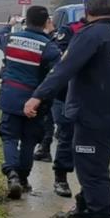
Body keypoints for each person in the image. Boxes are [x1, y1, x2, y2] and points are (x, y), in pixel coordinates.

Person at [24, 0, 110, 218]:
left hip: (92, 116)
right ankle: (84, 211)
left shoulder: (89, 36)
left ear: (87, 9)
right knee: (96, 166)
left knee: (93, 174)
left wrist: (37, 97)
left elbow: (63, 70)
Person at [0, 6, 60, 200]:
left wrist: (9, 25)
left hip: (10, 98)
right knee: (30, 141)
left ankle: (11, 174)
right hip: (35, 103)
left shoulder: (11, 39)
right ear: (46, 21)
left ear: (26, 20)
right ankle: (23, 179)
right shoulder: (49, 47)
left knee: (9, 137)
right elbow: (56, 75)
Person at [42, 14, 89, 197]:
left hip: (94, 98)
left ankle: (87, 191)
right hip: (65, 95)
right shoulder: (70, 30)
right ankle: (61, 177)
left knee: (91, 144)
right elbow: (60, 62)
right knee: (66, 136)